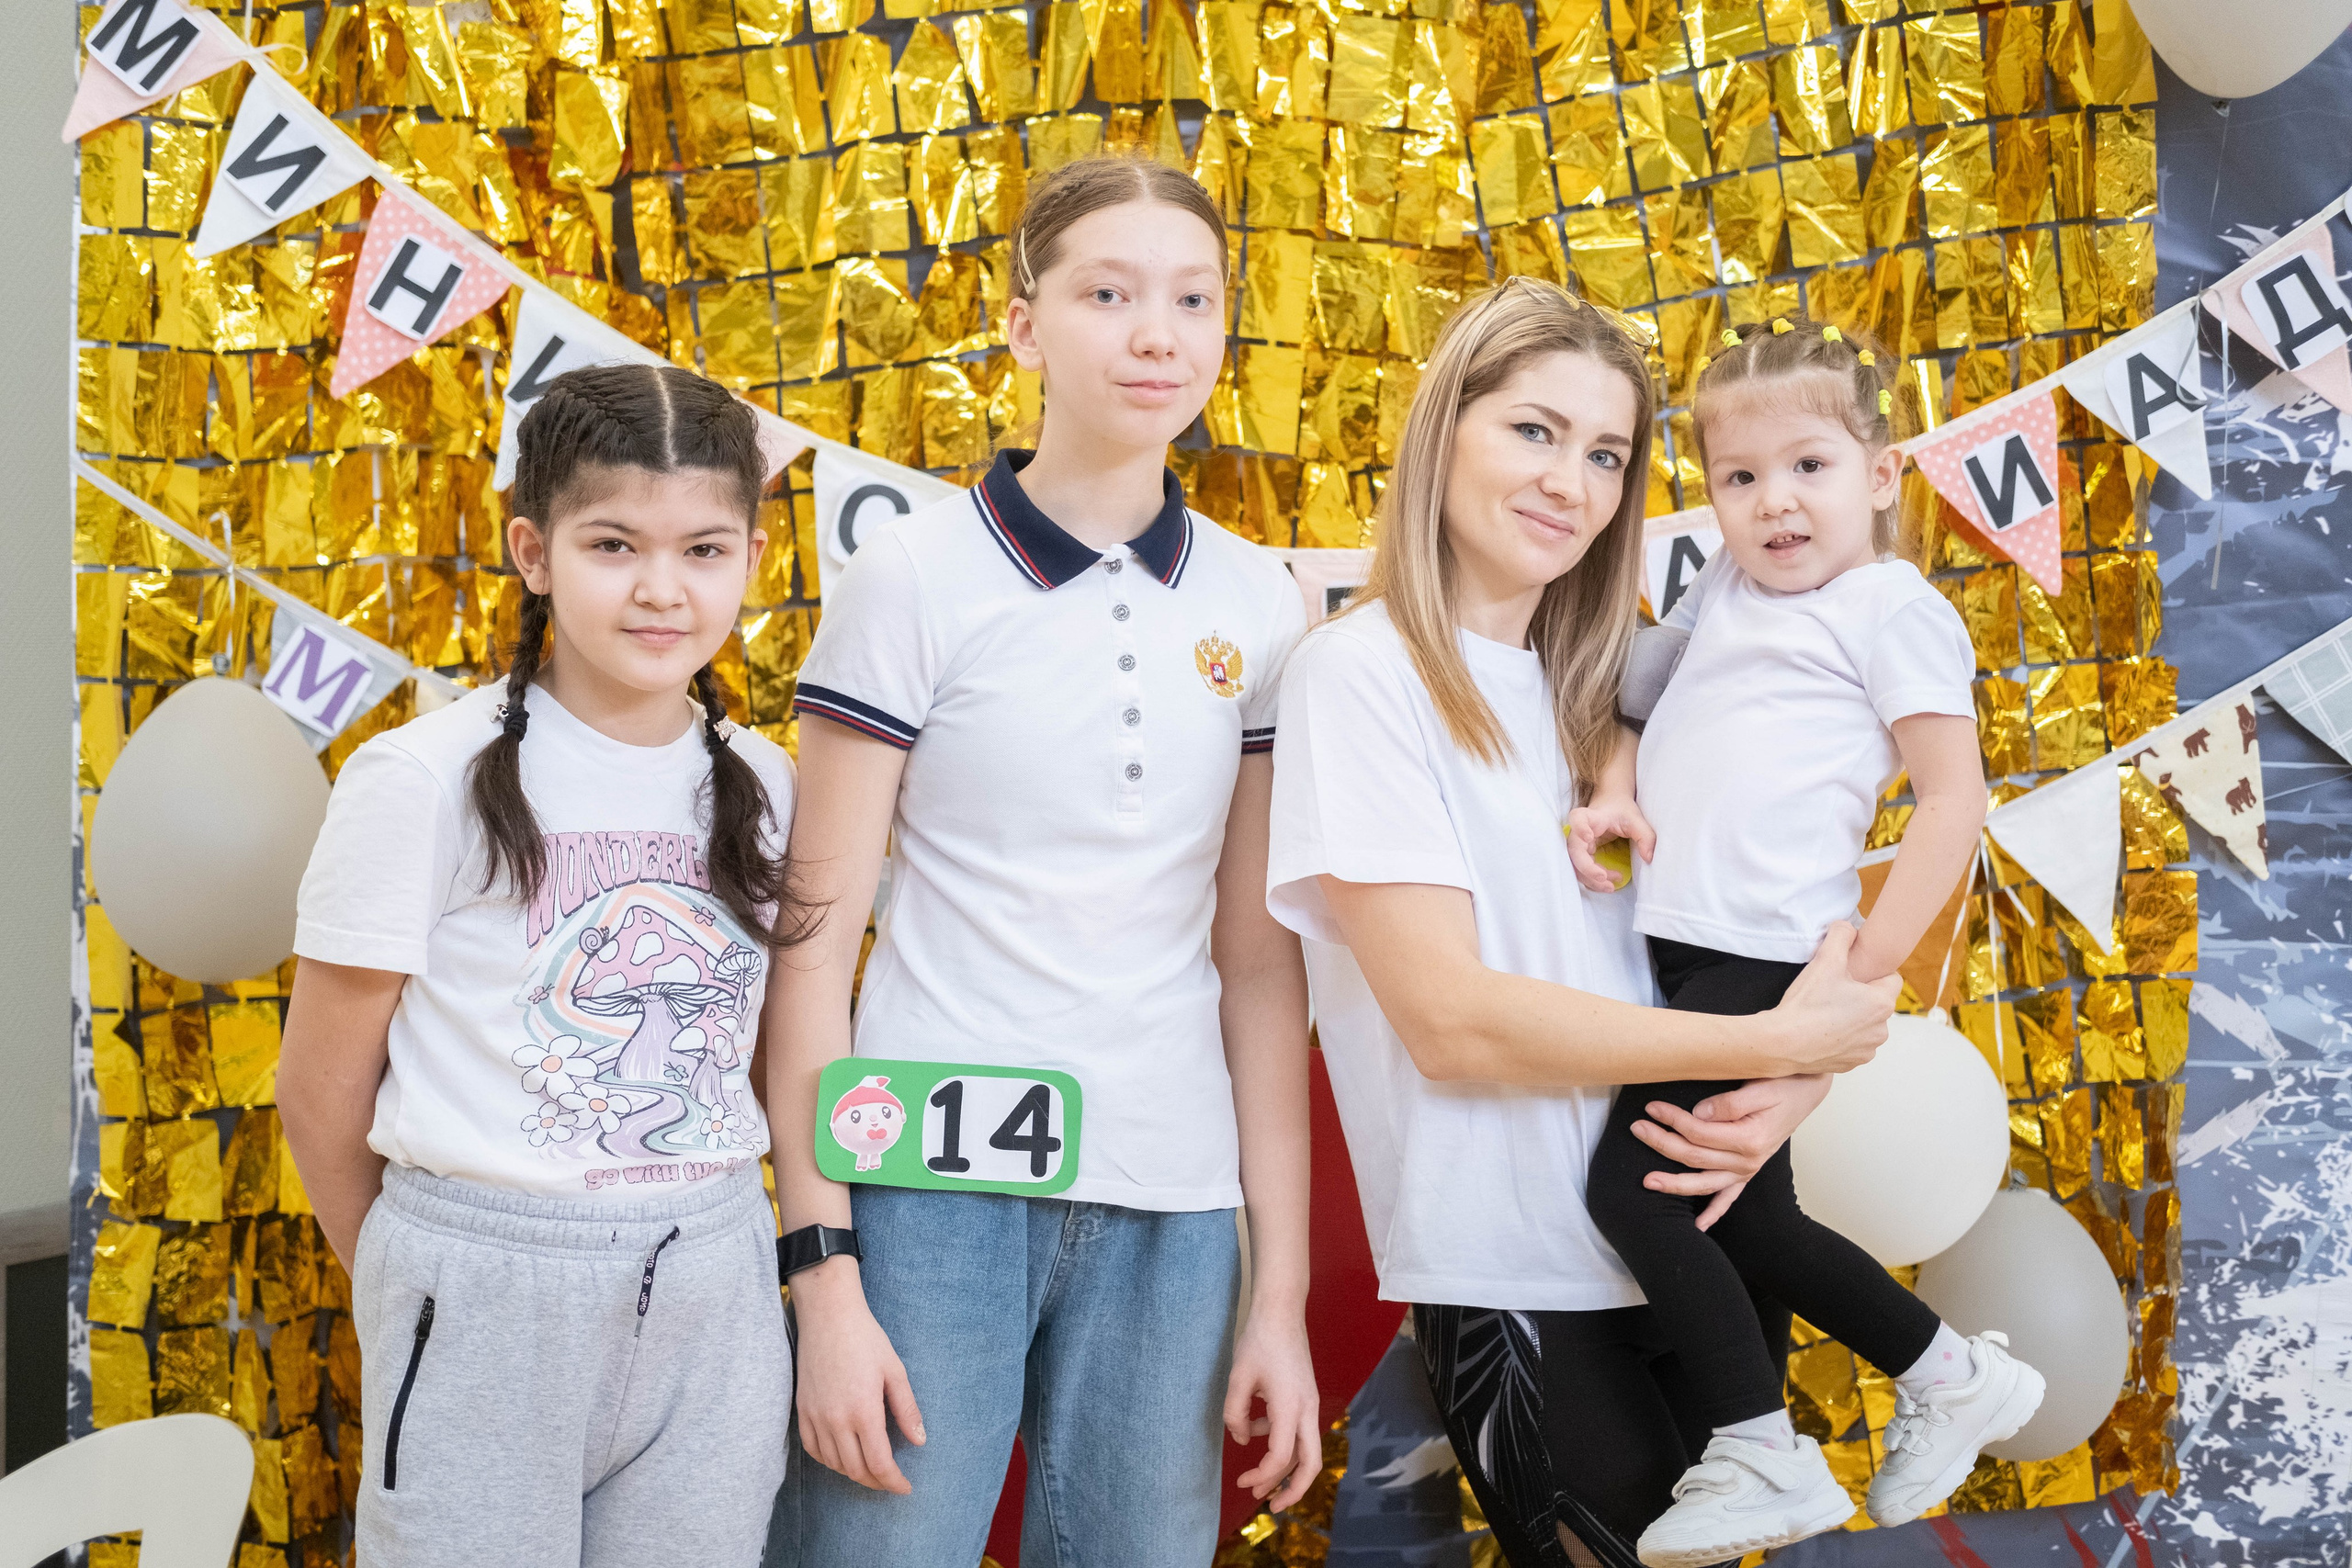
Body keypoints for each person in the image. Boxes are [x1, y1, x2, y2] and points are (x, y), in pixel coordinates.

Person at [1265, 276, 1900, 1568]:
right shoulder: (1360, 675)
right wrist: (1783, 1039)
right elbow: (1451, 1024)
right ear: (1445, 430)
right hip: (1516, 1266)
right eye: (1534, 431)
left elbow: (1761, 935)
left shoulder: (1631, 687)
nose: (1571, 481)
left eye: (1608, 454)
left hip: (1695, 1232)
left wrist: (1794, 1079)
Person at [764, 153, 1319, 1568]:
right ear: (1022, 325)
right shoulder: (914, 573)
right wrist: (822, 1274)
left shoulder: (1261, 603)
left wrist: (1277, 1296)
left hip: (1172, 1194)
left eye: (1193, 300)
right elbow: (811, 953)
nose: (1157, 335)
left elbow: (1260, 969)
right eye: (1109, 294)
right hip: (924, 1185)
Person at [277, 363, 808, 1568]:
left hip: (713, 1283)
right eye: (614, 545)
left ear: (754, 559)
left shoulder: (769, 784)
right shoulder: (424, 780)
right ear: (534, 552)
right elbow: (317, 1089)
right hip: (480, 1283)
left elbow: (766, 1059)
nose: (662, 589)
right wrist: (423, 1286)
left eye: (705, 550)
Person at [1567, 317, 2041, 1566]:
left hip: (1774, 951)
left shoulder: (1891, 609)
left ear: (1880, 477)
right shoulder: (1722, 588)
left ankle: (1759, 1448)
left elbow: (1953, 802)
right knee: (1745, 1212)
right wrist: (1613, 787)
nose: (1774, 500)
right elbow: (1636, 701)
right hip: (1678, 948)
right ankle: (1951, 1377)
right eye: (1740, 477)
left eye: (1809, 467)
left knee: (1639, 1192)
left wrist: (1855, 982)